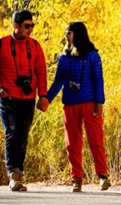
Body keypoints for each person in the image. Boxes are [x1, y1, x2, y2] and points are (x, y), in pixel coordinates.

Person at [40, 21, 110, 192]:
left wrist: (99, 102)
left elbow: (98, 80)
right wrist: (46, 99)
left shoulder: (92, 55)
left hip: (90, 104)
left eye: (69, 32)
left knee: (95, 140)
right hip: (70, 105)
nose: (66, 35)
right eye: (65, 32)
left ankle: (102, 176)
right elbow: (58, 81)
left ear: (78, 34)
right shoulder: (64, 58)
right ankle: (76, 179)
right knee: (72, 144)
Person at [0, 10, 48, 191]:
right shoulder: (0, 44)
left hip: (27, 98)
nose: (30, 29)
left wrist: (42, 95)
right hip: (8, 98)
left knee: (22, 137)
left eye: (32, 26)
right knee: (11, 134)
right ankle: (13, 174)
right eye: (26, 26)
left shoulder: (35, 46)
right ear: (16, 26)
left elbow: (41, 72)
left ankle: (19, 174)